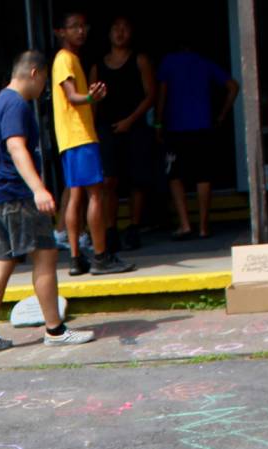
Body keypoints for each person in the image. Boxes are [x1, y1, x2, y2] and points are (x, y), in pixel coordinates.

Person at [0, 51, 98, 355]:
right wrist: (39, 189)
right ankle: (55, 330)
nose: (45, 90)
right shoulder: (15, 104)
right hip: (16, 194)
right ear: (35, 72)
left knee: (2, 261)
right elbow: (16, 147)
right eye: (46, 82)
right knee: (46, 255)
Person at [51, 11, 133, 276]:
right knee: (96, 195)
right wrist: (90, 98)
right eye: (73, 27)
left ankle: (76, 259)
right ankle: (100, 256)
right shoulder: (65, 59)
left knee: (76, 196)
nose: (81, 31)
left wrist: (89, 99)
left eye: (83, 26)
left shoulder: (70, 59)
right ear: (60, 32)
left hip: (70, 139)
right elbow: (73, 97)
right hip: (80, 136)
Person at [91, 15, 159, 250]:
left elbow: (151, 95)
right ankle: (110, 229)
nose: (120, 33)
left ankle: (133, 227)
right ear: (108, 33)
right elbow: (93, 102)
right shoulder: (97, 66)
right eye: (115, 28)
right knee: (109, 181)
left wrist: (130, 121)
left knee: (136, 181)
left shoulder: (139, 60)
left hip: (135, 126)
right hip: (106, 129)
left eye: (125, 28)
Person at [157, 46, 239, 239]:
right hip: (203, 125)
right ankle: (203, 227)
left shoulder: (168, 62)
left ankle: (185, 225)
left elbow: (162, 95)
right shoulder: (204, 61)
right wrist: (221, 115)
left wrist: (158, 123)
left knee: (175, 176)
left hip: (176, 127)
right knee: (204, 176)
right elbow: (233, 87)